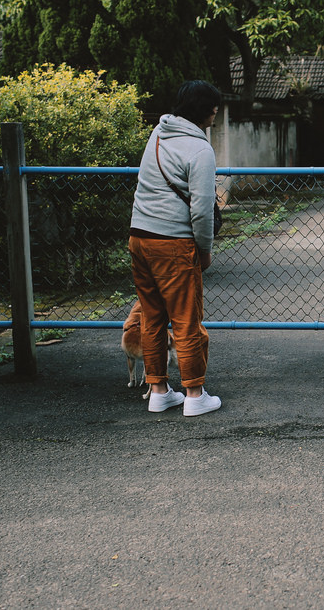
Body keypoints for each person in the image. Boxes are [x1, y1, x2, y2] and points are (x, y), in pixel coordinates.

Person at [128, 80, 222, 416]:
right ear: (206, 111)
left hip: (139, 237)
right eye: (214, 108)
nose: (216, 114)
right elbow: (201, 209)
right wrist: (205, 250)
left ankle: (159, 391)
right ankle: (195, 395)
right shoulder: (201, 150)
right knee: (186, 319)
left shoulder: (157, 135)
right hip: (173, 243)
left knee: (151, 317)